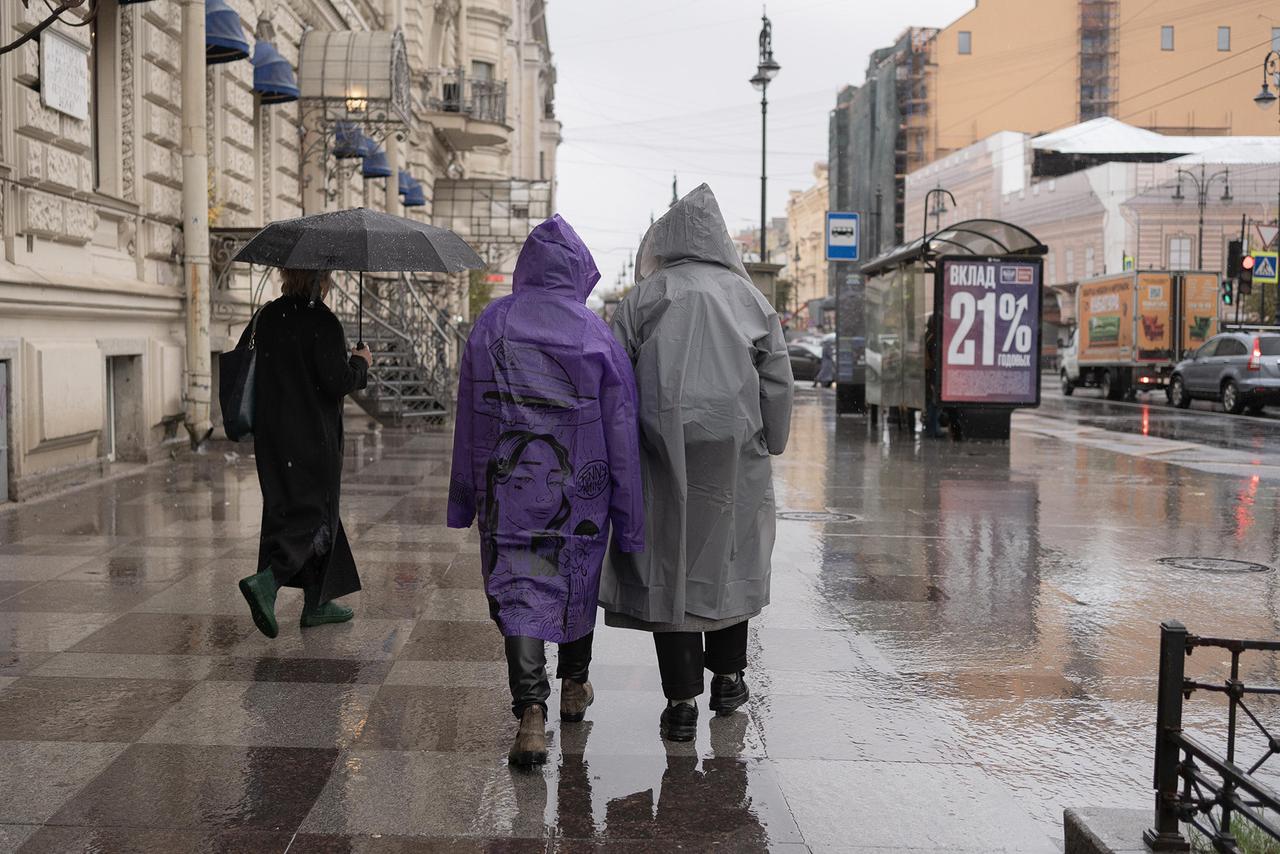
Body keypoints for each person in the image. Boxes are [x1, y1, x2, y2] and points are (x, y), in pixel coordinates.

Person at [448, 215, 644, 767]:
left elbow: (471, 418)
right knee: (575, 583)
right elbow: (622, 430)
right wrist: (630, 519)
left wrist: (465, 498)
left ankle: (530, 713)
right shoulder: (593, 331)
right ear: (579, 270)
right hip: (584, 490)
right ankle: (574, 687)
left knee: (519, 587)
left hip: (508, 489)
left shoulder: (492, 324)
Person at [603, 184, 794, 742]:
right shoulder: (749, 299)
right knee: (729, 560)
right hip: (736, 456)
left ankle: (681, 701)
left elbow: (615, 383)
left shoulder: (644, 297)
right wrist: (772, 440)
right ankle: (730, 679)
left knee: (672, 570)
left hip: (660, 454)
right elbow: (777, 382)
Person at [237, 269, 371, 638]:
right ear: (320, 281)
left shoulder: (268, 317)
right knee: (315, 515)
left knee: (287, 508)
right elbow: (338, 382)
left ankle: (317, 601)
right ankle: (268, 581)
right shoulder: (322, 322)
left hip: (273, 437)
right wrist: (361, 362)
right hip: (313, 439)